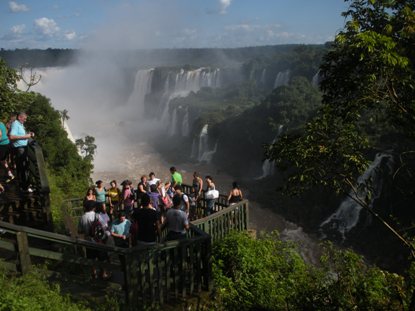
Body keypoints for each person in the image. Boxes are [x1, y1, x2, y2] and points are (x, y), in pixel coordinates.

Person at [8, 112, 34, 192]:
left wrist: (28, 134)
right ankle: (23, 187)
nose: (25, 120)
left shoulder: (20, 124)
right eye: (24, 118)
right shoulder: (16, 124)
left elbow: (20, 133)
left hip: (23, 148)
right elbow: (12, 136)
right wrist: (26, 136)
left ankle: (24, 185)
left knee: (23, 167)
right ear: (19, 117)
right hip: (20, 149)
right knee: (22, 167)